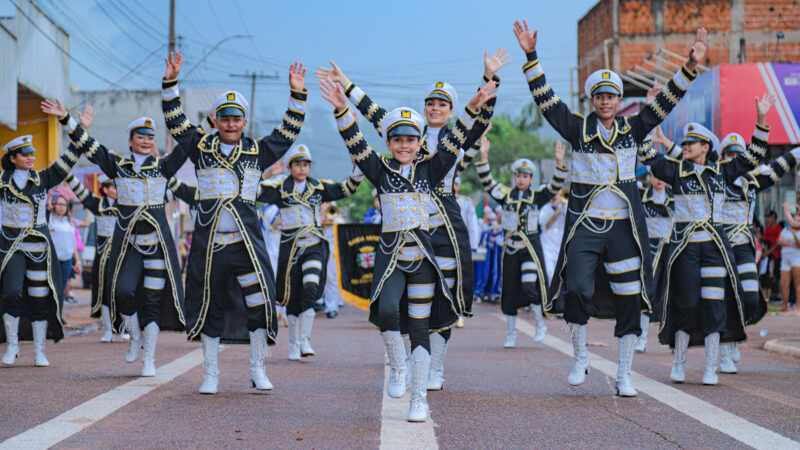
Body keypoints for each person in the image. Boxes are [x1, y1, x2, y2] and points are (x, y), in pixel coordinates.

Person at [514, 18, 708, 397]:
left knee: (629, 297)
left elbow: (666, 100)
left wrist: (691, 66)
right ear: (592, 100)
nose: (605, 101)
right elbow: (546, 100)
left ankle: (624, 374)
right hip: (586, 227)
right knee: (576, 289)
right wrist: (531, 55)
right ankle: (580, 355)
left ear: (620, 102)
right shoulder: (576, 129)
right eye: (599, 96)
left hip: (623, 228)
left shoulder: (633, 130)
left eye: (611, 96)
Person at [317, 53, 502, 392]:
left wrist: (488, 81)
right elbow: (370, 112)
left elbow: (479, 112)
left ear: (451, 109)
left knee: (443, 297)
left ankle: (435, 365)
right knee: (396, 297)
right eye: (430, 102)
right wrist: (345, 84)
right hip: (401, 227)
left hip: (442, 222)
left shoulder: (452, 141)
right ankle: (402, 357)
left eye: (442, 103)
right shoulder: (406, 130)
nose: (434, 107)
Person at [161, 52, 307, 394]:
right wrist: (170, 83)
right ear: (215, 119)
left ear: (245, 121)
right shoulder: (200, 147)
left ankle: (257, 368)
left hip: (246, 247)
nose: (230, 124)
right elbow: (175, 120)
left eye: (236, 119)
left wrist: (297, 94)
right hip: (211, 245)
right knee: (210, 305)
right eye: (224, 118)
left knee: (260, 304)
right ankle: (210, 373)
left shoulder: (259, 151)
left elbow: (288, 132)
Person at [42, 98, 189, 378]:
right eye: (140, 137)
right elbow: (89, 146)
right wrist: (66, 119)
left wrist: (206, 122)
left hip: (157, 247)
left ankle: (150, 358)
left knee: (154, 300)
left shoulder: (164, 167)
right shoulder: (118, 166)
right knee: (122, 291)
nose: (146, 141)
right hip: (129, 247)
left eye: (150, 137)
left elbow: (188, 145)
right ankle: (134, 336)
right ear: (131, 141)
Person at [639, 105, 773, 385]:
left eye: (691, 143)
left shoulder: (723, 172)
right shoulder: (675, 171)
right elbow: (646, 154)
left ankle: (711, 367)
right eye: (684, 143)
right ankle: (680, 363)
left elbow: (755, 155)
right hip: (685, 250)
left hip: (715, 251)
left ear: (705, 146)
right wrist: (650, 119)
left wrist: (761, 118)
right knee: (686, 304)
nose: (685, 147)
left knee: (715, 306)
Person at [257, 144, 363, 360]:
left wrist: (358, 167)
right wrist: (268, 173)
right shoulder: (280, 188)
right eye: (298, 164)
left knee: (311, 288)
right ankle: (294, 344)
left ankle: (305, 339)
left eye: (306, 164)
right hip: (290, 248)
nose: (302, 168)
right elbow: (250, 189)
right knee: (294, 297)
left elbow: (348, 188)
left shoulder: (319, 187)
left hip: (314, 245)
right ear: (290, 166)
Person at [0, 132, 86, 367]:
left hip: (39, 248)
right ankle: (12, 345)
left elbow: (67, 160)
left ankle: (39, 351)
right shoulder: (2, 182)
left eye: (32, 154)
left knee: (40, 298)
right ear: (13, 157)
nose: (31, 157)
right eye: (25, 155)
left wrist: (79, 131)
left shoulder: (42, 179)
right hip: (12, 249)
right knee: (11, 293)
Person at [476, 134, 567, 347]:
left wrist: (559, 162)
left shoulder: (537, 196)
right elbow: (488, 183)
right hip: (509, 249)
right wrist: (484, 155)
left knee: (529, 285)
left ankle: (540, 324)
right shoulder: (506, 195)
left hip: (529, 249)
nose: (521, 180)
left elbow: (555, 187)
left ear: (531, 179)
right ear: (515, 177)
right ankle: (511, 334)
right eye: (519, 176)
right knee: (509, 291)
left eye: (526, 176)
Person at [66, 172, 118, 341]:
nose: (117, 191)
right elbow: (81, 192)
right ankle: (108, 329)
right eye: (113, 187)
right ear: (106, 189)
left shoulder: (126, 204)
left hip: (122, 252)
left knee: (124, 290)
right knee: (104, 290)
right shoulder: (98, 204)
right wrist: (66, 175)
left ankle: (125, 328)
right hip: (103, 254)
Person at [49, 194, 81, 318]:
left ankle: (59, 317)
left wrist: (77, 261)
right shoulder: (50, 220)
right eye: (60, 204)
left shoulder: (69, 223)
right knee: (54, 289)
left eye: (64, 205)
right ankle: (50, 317)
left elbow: (73, 245)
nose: (62, 208)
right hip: (54, 260)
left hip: (67, 260)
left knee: (62, 290)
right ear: (54, 205)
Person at [321, 201, 346, 319]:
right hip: (319, 250)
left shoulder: (337, 218)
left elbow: (342, 225)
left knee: (332, 278)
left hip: (332, 251)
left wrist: (330, 219)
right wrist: (322, 217)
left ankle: (332, 308)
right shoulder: (318, 216)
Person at [778, 204, 800, 315]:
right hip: (786, 257)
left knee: (798, 282)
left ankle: (798, 306)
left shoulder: (795, 227)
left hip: (797, 257)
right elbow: (779, 241)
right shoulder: (786, 229)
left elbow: (799, 243)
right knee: (784, 282)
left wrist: (786, 211)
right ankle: (785, 305)